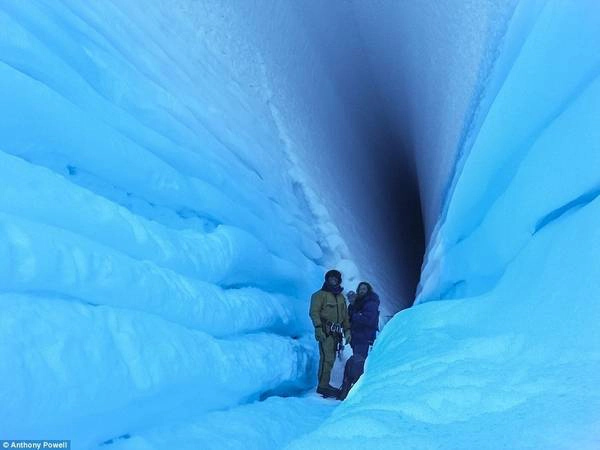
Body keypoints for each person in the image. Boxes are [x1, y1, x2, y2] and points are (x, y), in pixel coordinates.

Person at [309, 269, 351, 398]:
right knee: (326, 359)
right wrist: (318, 328)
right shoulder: (319, 295)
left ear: (339, 281)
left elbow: (345, 317)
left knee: (331, 360)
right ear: (327, 280)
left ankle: (325, 384)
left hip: (336, 334)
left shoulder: (341, 297)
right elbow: (314, 312)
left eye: (336, 279)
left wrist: (347, 331)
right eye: (331, 278)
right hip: (325, 332)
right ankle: (322, 387)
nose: (333, 280)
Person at [348, 281, 380, 359]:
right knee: (358, 360)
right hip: (357, 338)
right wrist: (352, 305)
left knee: (359, 361)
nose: (361, 291)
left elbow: (369, 320)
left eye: (364, 289)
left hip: (365, 338)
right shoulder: (358, 303)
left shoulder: (371, 303)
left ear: (368, 290)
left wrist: (354, 316)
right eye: (360, 289)